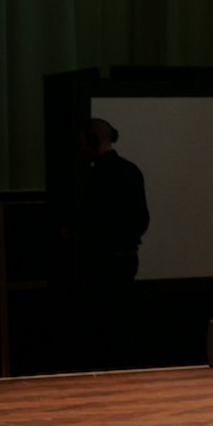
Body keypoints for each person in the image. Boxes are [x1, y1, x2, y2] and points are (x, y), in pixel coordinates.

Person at [66, 118, 150, 368]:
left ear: (92, 141)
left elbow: (89, 222)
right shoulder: (131, 170)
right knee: (121, 322)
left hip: (98, 262)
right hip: (126, 259)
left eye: (82, 143)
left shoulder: (95, 176)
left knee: (100, 325)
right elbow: (142, 218)